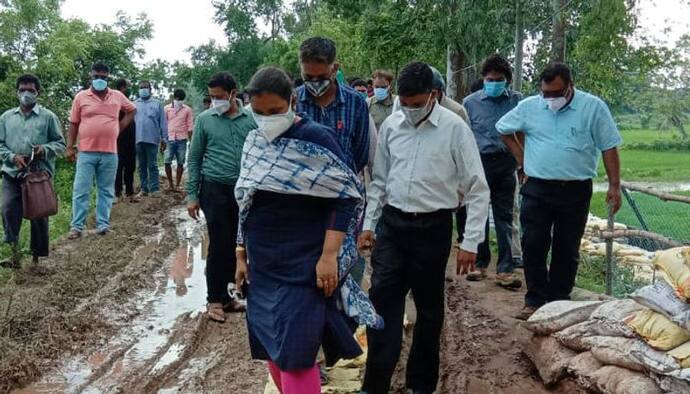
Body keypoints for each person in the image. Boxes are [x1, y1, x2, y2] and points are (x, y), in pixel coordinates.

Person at [234, 66, 380, 394]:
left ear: (293, 102)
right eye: (258, 112)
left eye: (274, 111)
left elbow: (345, 197)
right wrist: (240, 252)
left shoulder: (316, 137)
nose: (266, 119)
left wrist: (329, 256)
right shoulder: (254, 140)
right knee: (271, 344)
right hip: (264, 262)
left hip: (304, 262)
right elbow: (245, 199)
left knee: (296, 353)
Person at [358, 62, 490, 394]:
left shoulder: (454, 128)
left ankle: (421, 385)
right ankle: (375, 384)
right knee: (381, 303)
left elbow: (477, 188)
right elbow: (380, 181)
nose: (411, 110)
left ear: (433, 95)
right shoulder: (391, 125)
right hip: (393, 226)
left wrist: (470, 241)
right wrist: (369, 224)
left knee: (429, 310)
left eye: (417, 104)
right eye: (405, 103)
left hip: (433, 229)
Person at [497, 62, 622, 320]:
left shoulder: (592, 107)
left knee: (567, 248)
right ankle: (534, 300)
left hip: (575, 189)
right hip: (537, 188)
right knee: (533, 245)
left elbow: (609, 146)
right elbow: (503, 129)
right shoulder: (531, 106)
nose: (550, 99)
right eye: (546, 94)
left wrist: (614, 184)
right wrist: (522, 159)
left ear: (569, 87)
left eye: (556, 93)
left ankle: (558, 302)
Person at [186, 71, 256, 322]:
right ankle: (215, 299)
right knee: (219, 243)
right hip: (215, 189)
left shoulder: (251, 119)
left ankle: (235, 295)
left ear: (233, 94)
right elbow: (194, 159)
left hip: (246, 190)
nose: (215, 101)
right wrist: (192, 195)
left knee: (244, 244)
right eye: (211, 96)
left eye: (219, 96)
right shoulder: (205, 120)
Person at [458, 54, 523, 289]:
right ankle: (480, 263)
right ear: (483, 79)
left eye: (499, 79)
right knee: (478, 212)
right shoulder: (470, 103)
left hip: (506, 162)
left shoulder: (517, 101)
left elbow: (523, 132)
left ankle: (505, 268)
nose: (494, 83)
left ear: (507, 80)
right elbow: (464, 136)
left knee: (504, 216)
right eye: (490, 79)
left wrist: (522, 161)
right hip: (479, 161)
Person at [0, 74, 66, 268]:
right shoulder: (6, 117)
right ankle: (14, 255)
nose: (26, 94)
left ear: (38, 93)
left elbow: (60, 144)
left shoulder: (48, 117)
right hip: (12, 172)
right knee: (8, 209)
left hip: (38, 174)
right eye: (22, 90)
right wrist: (12, 156)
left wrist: (44, 150)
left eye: (30, 90)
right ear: (16, 92)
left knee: (39, 213)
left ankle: (37, 259)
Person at [66, 63, 136, 239]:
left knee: (106, 190)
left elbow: (132, 110)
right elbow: (74, 123)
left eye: (103, 77)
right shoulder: (81, 97)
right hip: (86, 152)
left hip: (110, 152)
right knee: (81, 189)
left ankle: (103, 224)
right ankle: (77, 227)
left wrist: (119, 126)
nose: (99, 80)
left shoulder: (117, 96)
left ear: (108, 78)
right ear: (91, 76)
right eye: (96, 76)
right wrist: (69, 147)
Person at [296, 37, 370, 175]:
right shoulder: (292, 102)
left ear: (334, 68)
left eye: (321, 77)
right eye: (308, 76)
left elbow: (361, 154)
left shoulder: (356, 102)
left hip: (343, 188)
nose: (314, 82)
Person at [135, 80, 167, 197]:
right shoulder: (134, 104)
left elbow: (163, 122)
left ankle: (155, 189)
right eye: (141, 87)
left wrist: (164, 138)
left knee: (152, 165)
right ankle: (144, 189)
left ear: (150, 89)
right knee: (141, 165)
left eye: (145, 87)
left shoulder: (157, 104)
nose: (143, 89)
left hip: (152, 139)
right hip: (138, 139)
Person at [113, 78, 139, 203]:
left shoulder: (129, 102)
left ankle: (130, 193)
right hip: (118, 138)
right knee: (118, 165)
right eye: (128, 87)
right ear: (122, 87)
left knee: (130, 165)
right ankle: (117, 193)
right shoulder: (114, 101)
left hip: (130, 138)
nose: (129, 89)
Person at [164, 89, 193, 192]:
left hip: (182, 139)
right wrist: (162, 140)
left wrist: (191, 141)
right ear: (174, 98)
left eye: (181, 99)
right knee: (167, 161)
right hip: (169, 138)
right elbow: (164, 125)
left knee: (180, 162)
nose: (179, 101)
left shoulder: (187, 110)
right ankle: (170, 184)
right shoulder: (166, 109)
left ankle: (177, 184)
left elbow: (190, 126)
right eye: (178, 99)